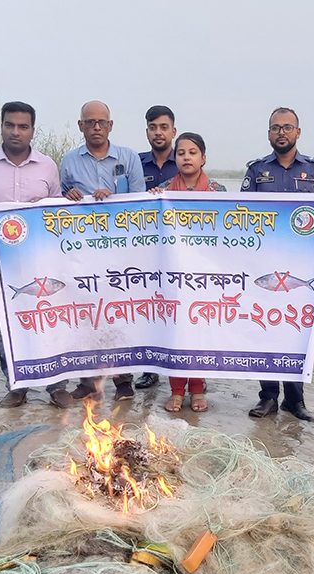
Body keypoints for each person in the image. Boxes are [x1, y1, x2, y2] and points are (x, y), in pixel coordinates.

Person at [0, 101, 72, 410]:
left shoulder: (48, 165)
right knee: (8, 323)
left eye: (23, 126)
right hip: (3, 265)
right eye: (10, 125)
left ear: (32, 130)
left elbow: (59, 212)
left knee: (51, 320)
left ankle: (56, 385)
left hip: (43, 262)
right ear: (2, 126)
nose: (16, 132)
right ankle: (17, 386)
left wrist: (45, 206)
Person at [240, 107, 314, 422]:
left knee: (298, 330)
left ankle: (295, 401)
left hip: (300, 269)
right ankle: (268, 397)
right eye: (275, 128)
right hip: (264, 268)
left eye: (287, 127)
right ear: (268, 133)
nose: (281, 133)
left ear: (298, 132)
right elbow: (241, 216)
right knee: (265, 329)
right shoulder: (255, 172)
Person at [61, 100, 145, 402]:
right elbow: (60, 203)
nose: (96, 127)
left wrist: (114, 196)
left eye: (102, 122)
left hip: (122, 250)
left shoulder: (129, 157)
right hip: (84, 252)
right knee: (87, 314)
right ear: (80, 125)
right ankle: (88, 381)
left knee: (122, 314)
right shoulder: (69, 161)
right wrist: (68, 196)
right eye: (90, 122)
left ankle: (124, 380)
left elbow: (140, 202)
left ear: (110, 126)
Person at [148, 132, 225, 412]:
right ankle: (177, 389)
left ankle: (197, 388)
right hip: (173, 275)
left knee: (199, 331)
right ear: (175, 158)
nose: (186, 157)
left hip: (205, 275)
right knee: (175, 330)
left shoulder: (217, 193)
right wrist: (152, 199)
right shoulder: (163, 191)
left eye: (193, 152)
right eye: (181, 153)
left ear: (203, 158)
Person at [135, 105, 179, 391]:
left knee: (179, 309)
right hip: (146, 252)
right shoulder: (135, 163)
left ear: (173, 131)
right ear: (147, 131)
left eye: (164, 127)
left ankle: (187, 371)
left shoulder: (187, 157)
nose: (158, 132)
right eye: (153, 127)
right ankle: (150, 370)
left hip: (179, 252)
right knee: (149, 309)